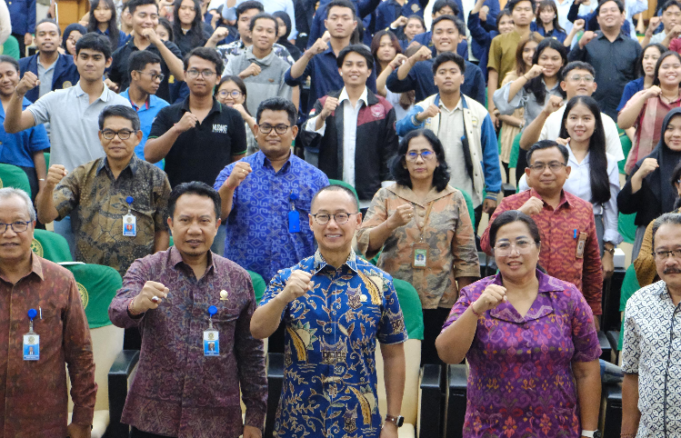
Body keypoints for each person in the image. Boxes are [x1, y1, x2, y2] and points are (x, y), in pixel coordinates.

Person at [108, 181, 267, 438]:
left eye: (204, 221)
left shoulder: (238, 279)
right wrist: (137, 303)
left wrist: (255, 417)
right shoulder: (147, 268)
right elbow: (117, 312)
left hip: (216, 419)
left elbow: (251, 353)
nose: (194, 229)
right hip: (153, 418)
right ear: (171, 224)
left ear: (216, 225)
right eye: (185, 220)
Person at [250, 184, 408, 438]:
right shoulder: (287, 278)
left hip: (359, 425)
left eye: (341, 216)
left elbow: (394, 355)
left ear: (358, 220)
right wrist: (283, 297)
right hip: (298, 424)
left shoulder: (380, 283)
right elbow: (257, 329)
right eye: (323, 216)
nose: (332, 225)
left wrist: (392, 420)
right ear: (311, 222)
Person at [436, 210, 602, 437]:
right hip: (490, 429)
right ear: (493, 251)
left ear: (538, 248)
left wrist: (589, 432)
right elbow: (448, 354)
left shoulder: (567, 296)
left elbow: (587, 369)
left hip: (556, 429)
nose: (513, 253)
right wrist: (476, 310)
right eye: (504, 245)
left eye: (522, 243)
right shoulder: (474, 295)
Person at [357, 129, 479, 365]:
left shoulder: (454, 198)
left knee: (436, 367)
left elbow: (466, 257)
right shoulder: (387, 195)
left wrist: (463, 305)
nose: (419, 160)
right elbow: (364, 242)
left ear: (438, 159)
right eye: (412, 154)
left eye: (426, 153)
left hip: (441, 299)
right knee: (395, 366)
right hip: (394, 297)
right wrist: (390, 223)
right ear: (403, 161)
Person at [5, 33, 131, 253]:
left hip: (106, 196)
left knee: (104, 259)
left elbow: (128, 154)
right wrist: (19, 93)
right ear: (75, 59)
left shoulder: (121, 105)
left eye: (96, 57)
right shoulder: (56, 99)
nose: (89, 62)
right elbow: (12, 126)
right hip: (64, 196)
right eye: (84, 56)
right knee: (68, 260)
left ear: (108, 62)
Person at [0, 187, 97, 438]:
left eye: (18, 223)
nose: (8, 233)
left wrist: (83, 419)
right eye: (0, 224)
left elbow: (81, 355)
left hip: (43, 425)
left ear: (33, 227)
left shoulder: (61, 282)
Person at [35, 105, 171, 277]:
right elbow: (46, 216)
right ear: (100, 136)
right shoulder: (82, 175)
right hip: (92, 278)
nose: (116, 139)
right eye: (109, 133)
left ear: (137, 137)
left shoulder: (156, 178)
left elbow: (162, 231)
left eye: (124, 133)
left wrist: (154, 273)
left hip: (137, 278)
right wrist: (48, 187)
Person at [481, 140, 603, 321]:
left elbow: (592, 265)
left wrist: (594, 311)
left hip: (567, 307)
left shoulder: (583, 209)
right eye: (539, 166)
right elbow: (486, 245)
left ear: (567, 171)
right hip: (517, 306)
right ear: (528, 174)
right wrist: (519, 214)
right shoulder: (511, 204)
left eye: (554, 165)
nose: (547, 172)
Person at [214, 97, 328, 284]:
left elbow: (326, 229)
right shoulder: (233, 172)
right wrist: (230, 185)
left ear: (294, 132)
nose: (273, 133)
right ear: (256, 130)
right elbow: (217, 214)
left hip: (298, 281)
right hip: (243, 281)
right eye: (266, 127)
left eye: (281, 127)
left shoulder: (316, 178)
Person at [396, 52, 501, 226]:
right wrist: (421, 117)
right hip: (428, 194)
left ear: (462, 78)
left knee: (466, 241)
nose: (448, 76)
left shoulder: (479, 112)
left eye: (453, 72)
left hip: (468, 195)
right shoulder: (424, 107)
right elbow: (400, 129)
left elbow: (490, 152)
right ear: (435, 79)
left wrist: (492, 191)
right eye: (442, 72)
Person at [520, 96, 622, 275]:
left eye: (586, 118)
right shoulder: (552, 155)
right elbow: (524, 185)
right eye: (573, 118)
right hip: (549, 225)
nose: (579, 124)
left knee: (585, 282)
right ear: (565, 123)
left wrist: (609, 251)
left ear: (596, 124)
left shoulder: (608, 161)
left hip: (590, 228)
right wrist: (551, 155)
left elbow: (611, 209)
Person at [303, 44, 398, 207]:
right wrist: (322, 116)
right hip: (332, 196)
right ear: (340, 70)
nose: (354, 69)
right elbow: (307, 139)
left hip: (370, 199)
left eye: (360, 65)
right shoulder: (325, 103)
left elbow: (390, 154)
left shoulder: (383, 108)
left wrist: (388, 196)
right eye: (348, 64)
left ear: (369, 71)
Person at [145, 47, 247, 188]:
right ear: (185, 75)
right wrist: (176, 130)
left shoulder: (233, 116)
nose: (200, 77)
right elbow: (150, 155)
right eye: (194, 71)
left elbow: (238, 163)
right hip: (177, 196)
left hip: (218, 197)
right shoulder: (168, 113)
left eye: (207, 72)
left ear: (218, 78)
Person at [622, 212, 681, 438]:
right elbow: (632, 375)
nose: (670, 261)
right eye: (663, 253)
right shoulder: (639, 303)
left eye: (679, 251)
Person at [519, 61, 625, 162]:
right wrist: (545, 113)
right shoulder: (551, 117)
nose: (582, 83)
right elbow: (525, 145)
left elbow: (613, 161)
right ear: (563, 85)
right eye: (576, 78)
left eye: (588, 79)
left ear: (594, 87)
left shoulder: (606, 121)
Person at [494, 38, 567, 182]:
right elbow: (501, 102)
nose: (549, 63)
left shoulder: (567, 86)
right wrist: (527, 76)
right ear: (536, 60)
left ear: (562, 62)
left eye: (555, 59)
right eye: (544, 58)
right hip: (532, 151)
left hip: (562, 152)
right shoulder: (529, 86)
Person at [286, 0, 378, 113]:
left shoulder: (363, 57)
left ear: (354, 25)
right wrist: (309, 54)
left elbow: (372, 95)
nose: (339, 23)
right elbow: (291, 79)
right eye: (334, 18)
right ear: (326, 23)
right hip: (319, 118)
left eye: (345, 18)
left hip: (354, 118)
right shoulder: (316, 54)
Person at [618, 108, 681, 261]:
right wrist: (638, 176)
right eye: (670, 128)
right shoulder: (647, 165)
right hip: (649, 241)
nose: (676, 134)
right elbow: (625, 206)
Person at [386, 15, 486, 105]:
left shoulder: (473, 71)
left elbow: (479, 108)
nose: (444, 37)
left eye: (450, 32)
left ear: (460, 37)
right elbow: (393, 84)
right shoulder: (421, 67)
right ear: (432, 38)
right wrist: (412, 59)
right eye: (439, 32)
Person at [567, 0, 641, 121]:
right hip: (591, 110)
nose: (609, 13)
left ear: (622, 16)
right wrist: (579, 45)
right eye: (604, 11)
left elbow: (639, 79)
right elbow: (569, 67)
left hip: (624, 112)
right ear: (597, 18)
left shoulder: (634, 46)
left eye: (613, 10)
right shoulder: (588, 42)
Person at [107, 0, 185, 103]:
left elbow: (181, 75)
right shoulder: (121, 52)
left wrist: (157, 43)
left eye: (153, 17)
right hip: (127, 110)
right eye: (143, 16)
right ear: (130, 17)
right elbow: (114, 83)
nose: (148, 21)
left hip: (159, 111)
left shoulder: (167, 47)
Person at [619, 51, 681, 174]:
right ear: (657, 74)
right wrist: (644, 97)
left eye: (676, 66)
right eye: (665, 67)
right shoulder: (644, 96)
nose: (671, 71)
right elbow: (622, 123)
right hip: (642, 169)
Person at [0, 56, 50, 203]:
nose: (5, 79)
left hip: (25, 175)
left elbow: (38, 152)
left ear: (18, 74)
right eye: (0, 76)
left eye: (9, 74)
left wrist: (42, 187)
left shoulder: (31, 109)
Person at [486, 0, 542, 128]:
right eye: (518, 9)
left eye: (527, 10)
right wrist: (492, 109)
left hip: (534, 99)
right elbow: (493, 76)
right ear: (511, 14)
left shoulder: (540, 41)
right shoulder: (498, 41)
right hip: (507, 101)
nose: (523, 13)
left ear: (534, 14)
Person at [222, 13, 294, 112]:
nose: (264, 35)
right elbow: (222, 94)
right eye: (259, 30)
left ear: (276, 37)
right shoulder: (234, 63)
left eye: (269, 31)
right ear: (250, 33)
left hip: (269, 121)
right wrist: (240, 77)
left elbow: (283, 106)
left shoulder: (283, 68)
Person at [495, 33, 539, 179]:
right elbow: (499, 111)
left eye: (535, 50)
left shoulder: (546, 77)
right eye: (526, 50)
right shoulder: (511, 77)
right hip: (513, 133)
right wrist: (522, 123)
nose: (530, 54)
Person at [634, 162, 681, 287]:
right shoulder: (658, 226)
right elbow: (642, 269)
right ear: (678, 187)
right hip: (666, 293)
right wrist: (665, 252)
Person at [120, 50, 169, 167]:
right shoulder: (115, 104)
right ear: (135, 75)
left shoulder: (164, 108)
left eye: (159, 76)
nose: (158, 81)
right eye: (153, 75)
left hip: (153, 175)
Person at [211, 1, 295, 68]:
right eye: (244, 19)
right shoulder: (224, 52)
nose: (249, 24)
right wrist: (212, 41)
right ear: (238, 24)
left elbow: (292, 79)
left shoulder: (279, 51)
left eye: (254, 19)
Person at [19, 19, 80, 103]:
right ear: (35, 41)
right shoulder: (22, 65)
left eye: (52, 34)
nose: (47, 38)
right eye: (42, 34)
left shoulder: (74, 65)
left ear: (60, 40)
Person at [616, 43, 665, 128]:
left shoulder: (668, 87)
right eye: (645, 58)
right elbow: (623, 119)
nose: (649, 62)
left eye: (654, 58)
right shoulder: (631, 87)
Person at [468, 1, 514, 81]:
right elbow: (474, 27)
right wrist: (480, 2)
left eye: (510, 23)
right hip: (489, 82)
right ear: (497, 26)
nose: (506, 26)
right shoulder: (491, 38)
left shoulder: (522, 41)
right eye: (502, 23)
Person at [372, 30, 413, 121]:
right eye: (382, 45)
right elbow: (377, 88)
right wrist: (392, 64)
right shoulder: (370, 73)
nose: (387, 49)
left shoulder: (402, 73)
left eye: (391, 46)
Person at [215, 75, 258, 155]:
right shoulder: (211, 120)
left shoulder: (251, 122)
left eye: (234, 93)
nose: (229, 97)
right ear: (216, 96)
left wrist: (247, 117)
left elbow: (264, 144)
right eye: (223, 93)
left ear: (243, 97)